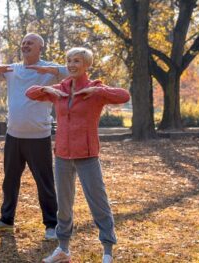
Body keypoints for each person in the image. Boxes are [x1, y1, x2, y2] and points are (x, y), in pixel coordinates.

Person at [26, 47, 130, 263]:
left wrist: (98, 92)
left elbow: (124, 95)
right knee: (63, 205)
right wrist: (48, 91)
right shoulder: (60, 89)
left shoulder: (95, 90)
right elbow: (30, 92)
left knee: (98, 203)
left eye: (77, 61)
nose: (72, 64)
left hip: (87, 156)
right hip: (62, 155)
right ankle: (63, 249)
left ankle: (108, 251)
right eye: (69, 60)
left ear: (86, 65)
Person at [0, 33, 68, 240]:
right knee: (10, 180)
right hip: (13, 135)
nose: (25, 45)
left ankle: (51, 225)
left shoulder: (50, 69)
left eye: (30, 43)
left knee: (45, 183)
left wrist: (48, 70)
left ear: (41, 47)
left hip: (39, 136)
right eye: (23, 43)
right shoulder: (13, 69)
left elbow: (73, 72)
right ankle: (6, 220)